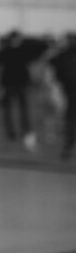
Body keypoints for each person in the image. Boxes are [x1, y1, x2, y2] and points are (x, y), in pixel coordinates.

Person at [48, 32, 76, 161]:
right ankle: (68, 146)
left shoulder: (63, 55)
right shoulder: (64, 55)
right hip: (69, 90)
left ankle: (68, 146)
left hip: (70, 90)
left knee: (70, 118)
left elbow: (55, 69)